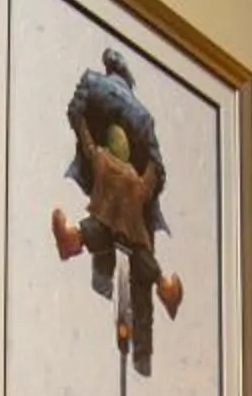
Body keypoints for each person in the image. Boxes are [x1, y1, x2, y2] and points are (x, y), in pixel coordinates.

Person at [50, 49, 184, 378]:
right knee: (143, 260)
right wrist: (150, 172)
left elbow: (83, 133)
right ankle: (164, 289)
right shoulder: (137, 160)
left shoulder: (102, 155)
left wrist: (84, 128)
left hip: (109, 223)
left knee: (96, 231)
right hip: (135, 234)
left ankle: (73, 240)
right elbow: (154, 174)